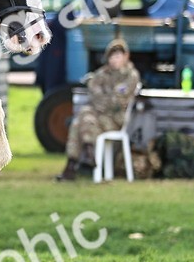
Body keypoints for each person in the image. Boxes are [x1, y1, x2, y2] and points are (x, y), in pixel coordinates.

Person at [56, 37, 141, 181]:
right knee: (81, 121)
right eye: (112, 56)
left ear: (126, 56)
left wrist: (104, 99)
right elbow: (94, 93)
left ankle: (74, 165)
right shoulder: (101, 74)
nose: (114, 60)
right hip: (96, 117)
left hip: (115, 120)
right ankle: (86, 153)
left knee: (82, 118)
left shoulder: (130, 75)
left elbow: (118, 102)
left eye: (118, 56)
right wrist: (106, 99)